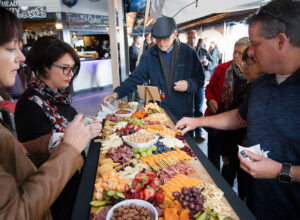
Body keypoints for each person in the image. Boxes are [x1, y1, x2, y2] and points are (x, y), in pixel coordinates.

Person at [176, 0, 300, 218]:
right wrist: (197, 121)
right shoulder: (261, 83)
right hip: (254, 201)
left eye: (255, 44)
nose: (250, 53)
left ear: (281, 41)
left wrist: (281, 171)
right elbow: (241, 117)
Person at [0, 6, 99, 219]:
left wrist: (81, 127)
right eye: (10, 49)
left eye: (73, 69)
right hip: (56, 200)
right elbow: (31, 166)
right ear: (44, 67)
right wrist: (69, 144)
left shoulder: (58, 96)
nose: (20, 57)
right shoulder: (30, 105)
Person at [102, 16, 204, 120]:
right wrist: (117, 93)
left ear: (174, 35)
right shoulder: (149, 55)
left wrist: (189, 84)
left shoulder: (188, 52)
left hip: (183, 113)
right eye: (158, 39)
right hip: (157, 112)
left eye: (165, 39)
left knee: (183, 136)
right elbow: (136, 78)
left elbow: (200, 79)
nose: (161, 43)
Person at [219, 47, 263, 199]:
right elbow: (235, 118)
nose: (244, 66)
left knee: (246, 192)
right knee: (227, 185)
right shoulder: (248, 88)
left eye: (248, 63)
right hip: (235, 150)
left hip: (252, 158)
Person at [205, 37, 250, 171]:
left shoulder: (251, 76)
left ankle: (224, 186)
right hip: (216, 119)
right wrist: (210, 99)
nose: (235, 55)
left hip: (236, 128)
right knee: (212, 155)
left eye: (240, 53)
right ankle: (212, 178)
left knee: (229, 162)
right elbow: (209, 88)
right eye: (234, 52)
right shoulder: (221, 68)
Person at [186, 30, 212, 143]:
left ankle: (198, 133)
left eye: (194, 38)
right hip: (187, 85)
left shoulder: (203, 51)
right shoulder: (184, 52)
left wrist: (208, 64)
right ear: (187, 39)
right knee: (187, 108)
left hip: (200, 84)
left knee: (198, 109)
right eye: (190, 37)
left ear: (197, 39)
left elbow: (213, 63)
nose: (192, 40)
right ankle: (188, 132)